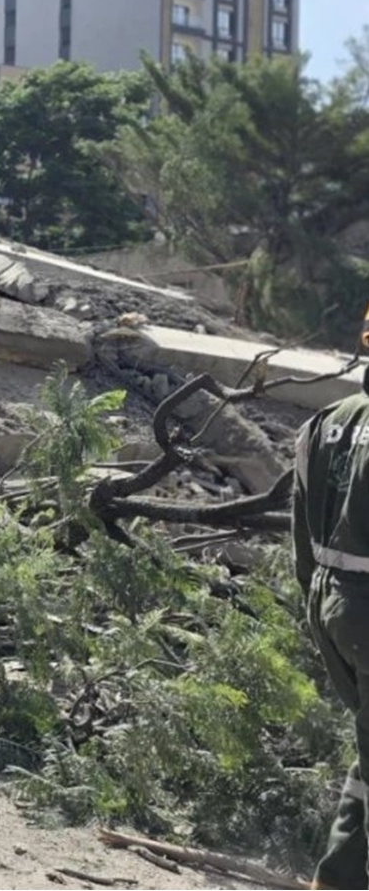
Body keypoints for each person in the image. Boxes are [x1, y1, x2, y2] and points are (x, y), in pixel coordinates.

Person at [294, 319, 369, 890]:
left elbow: (301, 539)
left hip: (331, 604)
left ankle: (338, 879)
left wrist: (321, 609)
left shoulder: (326, 422)